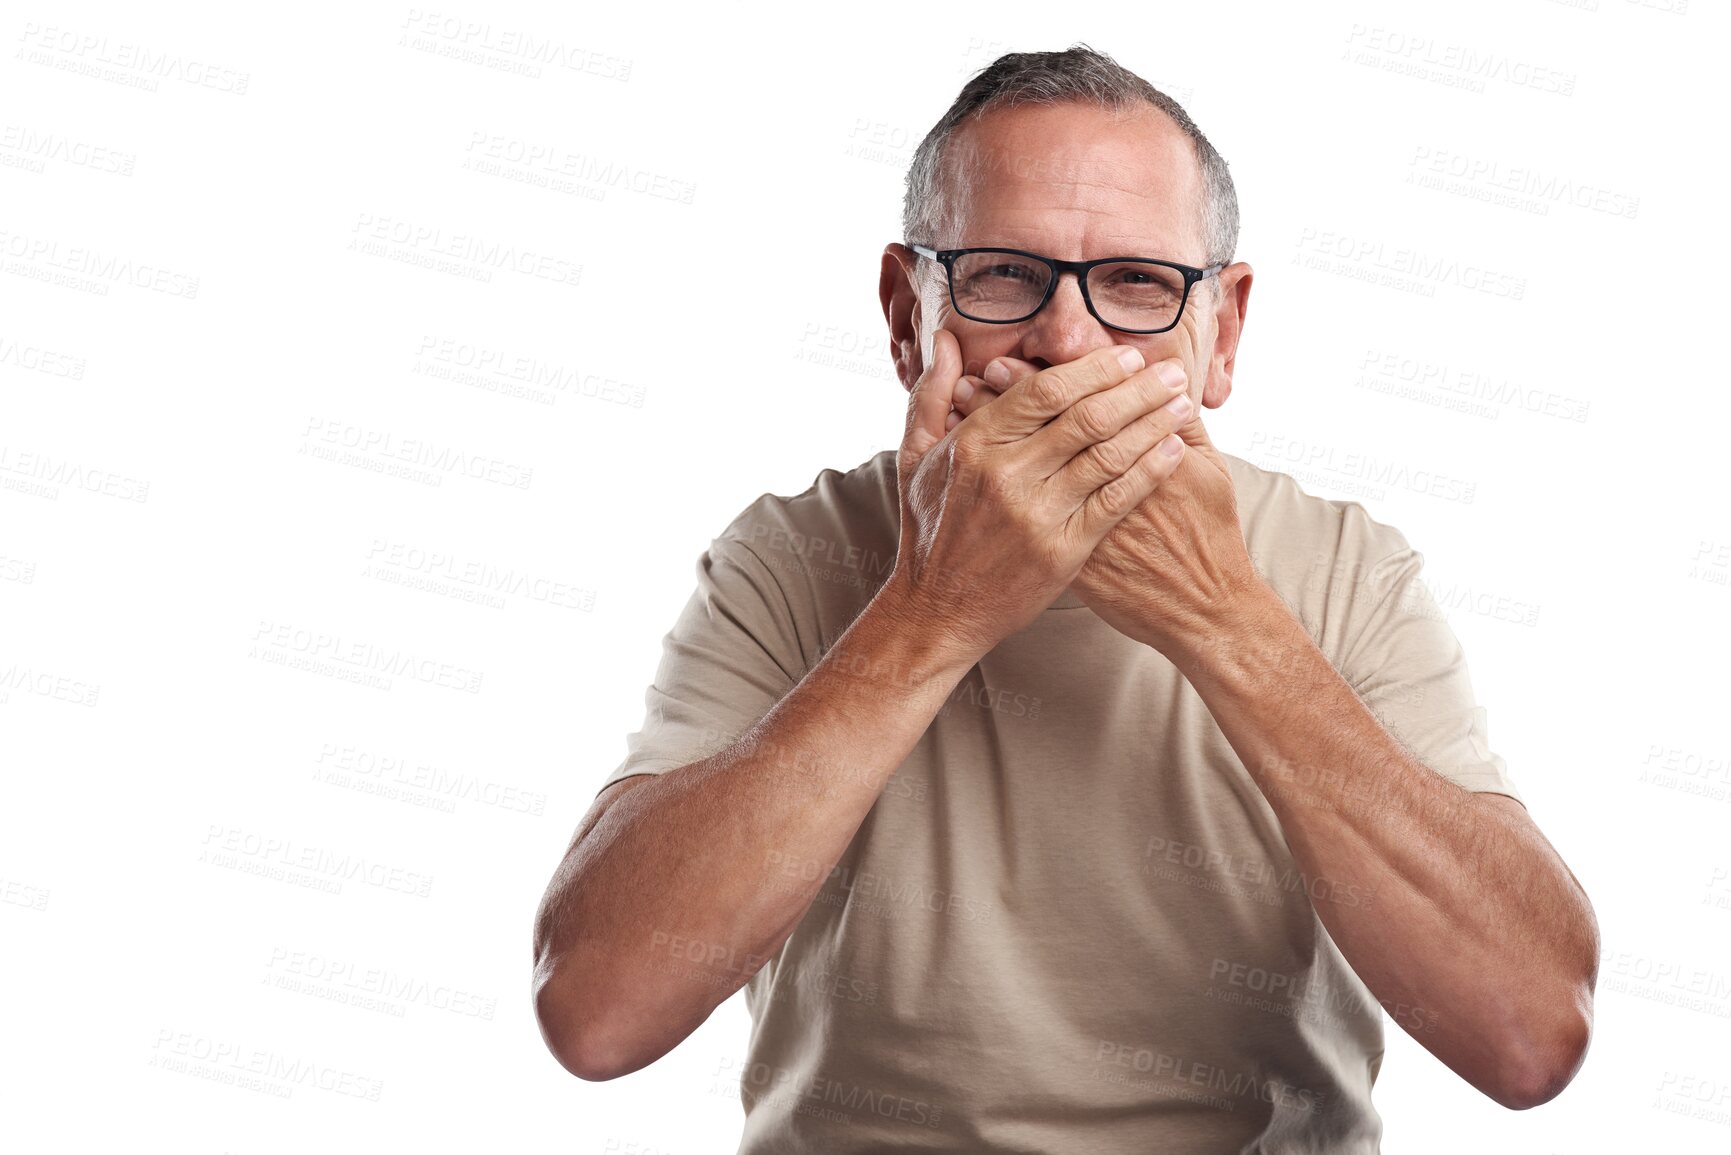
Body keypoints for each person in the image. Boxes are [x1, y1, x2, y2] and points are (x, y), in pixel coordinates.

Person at [531, 44, 1599, 1153]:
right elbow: (597, 1014)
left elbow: (1529, 1039)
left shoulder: (1344, 570)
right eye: (1002, 273)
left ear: (1221, 335)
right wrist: (930, 611)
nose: (1066, 340)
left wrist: (1220, 617)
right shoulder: (791, 558)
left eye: (1137, 283)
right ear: (908, 318)